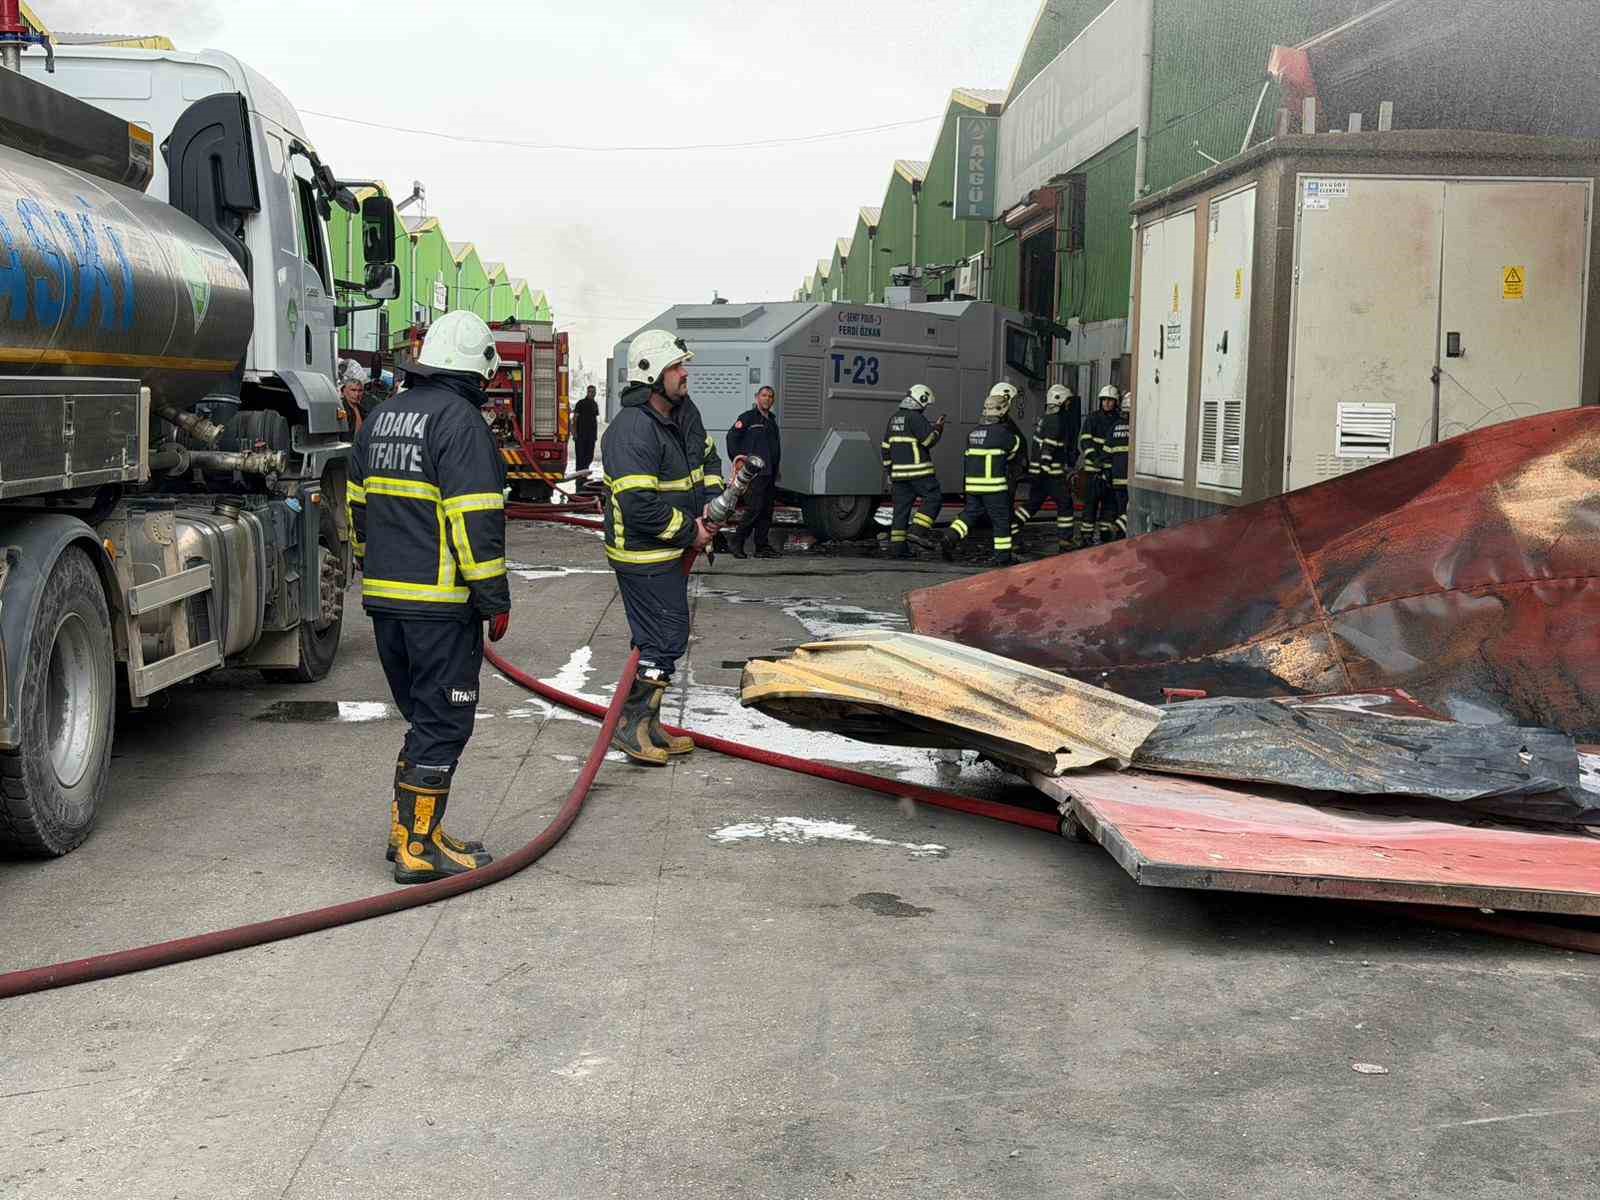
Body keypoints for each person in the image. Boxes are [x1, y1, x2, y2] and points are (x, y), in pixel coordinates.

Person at [347, 311, 509, 884]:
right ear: (475, 366)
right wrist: (493, 598)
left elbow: (357, 507)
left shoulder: (382, 418)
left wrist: (376, 566)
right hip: (439, 604)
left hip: (386, 601)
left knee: (422, 718)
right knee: (443, 722)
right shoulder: (462, 424)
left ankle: (411, 832)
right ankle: (419, 847)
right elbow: (475, 520)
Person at [602, 328, 716, 765]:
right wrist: (692, 532)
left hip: (669, 549)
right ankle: (632, 726)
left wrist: (712, 505)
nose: (684, 373)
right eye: (675, 367)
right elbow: (638, 507)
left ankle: (649, 724)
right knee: (665, 639)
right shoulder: (633, 430)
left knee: (659, 638)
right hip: (643, 555)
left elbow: (706, 459)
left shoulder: (681, 415)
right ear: (651, 374)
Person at [941, 382, 1027, 567]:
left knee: (969, 514)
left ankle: (950, 536)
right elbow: (1015, 450)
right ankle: (1003, 556)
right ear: (1002, 411)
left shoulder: (972, 434)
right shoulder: (1003, 434)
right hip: (994, 487)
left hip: (973, 486)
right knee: (1001, 519)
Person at [1013, 383, 1081, 552]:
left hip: (1039, 474)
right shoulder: (1056, 421)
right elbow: (1048, 448)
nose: (1069, 405)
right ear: (1060, 401)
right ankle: (1065, 539)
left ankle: (1011, 530)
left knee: (1032, 505)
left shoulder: (1045, 419)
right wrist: (1045, 468)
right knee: (1065, 503)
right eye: (1067, 401)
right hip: (1050, 474)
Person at [880, 383, 945, 558]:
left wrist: (890, 470)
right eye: (925, 403)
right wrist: (938, 429)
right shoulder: (915, 418)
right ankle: (918, 531)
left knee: (900, 511)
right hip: (919, 472)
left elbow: (885, 447)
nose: (925, 407)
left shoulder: (894, 418)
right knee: (933, 498)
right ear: (921, 399)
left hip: (898, 475)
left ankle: (898, 550)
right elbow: (929, 441)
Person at [726, 384, 781, 558]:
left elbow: (774, 448)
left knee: (766, 511)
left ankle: (762, 546)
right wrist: (738, 460)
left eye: (770, 396)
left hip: (769, 474)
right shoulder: (748, 418)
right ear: (757, 397)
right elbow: (731, 437)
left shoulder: (771, 420)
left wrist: (776, 469)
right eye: (764, 395)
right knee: (754, 509)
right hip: (754, 474)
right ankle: (737, 541)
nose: (767, 399)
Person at [1080, 385, 1131, 544]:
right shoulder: (1092, 418)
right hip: (1093, 470)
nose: (1107, 403)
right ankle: (1086, 536)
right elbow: (1085, 440)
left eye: (1110, 400)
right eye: (1104, 400)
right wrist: (1094, 458)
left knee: (1109, 506)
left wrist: (1107, 466)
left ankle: (1105, 535)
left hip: (1110, 470)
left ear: (1116, 402)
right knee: (1091, 505)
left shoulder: (1118, 421)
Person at [573, 384, 600, 475]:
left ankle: (584, 472)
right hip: (580, 435)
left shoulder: (595, 404)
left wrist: (595, 435)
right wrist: (574, 432)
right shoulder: (580, 403)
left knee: (589, 456)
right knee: (580, 456)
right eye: (590, 392)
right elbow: (575, 419)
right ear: (587, 392)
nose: (592, 394)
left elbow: (594, 420)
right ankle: (579, 476)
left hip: (591, 435)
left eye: (593, 392)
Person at [338, 359, 370, 433]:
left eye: (360, 390)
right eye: (353, 390)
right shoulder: (341, 409)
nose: (357, 394)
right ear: (344, 391)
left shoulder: (363, 410)